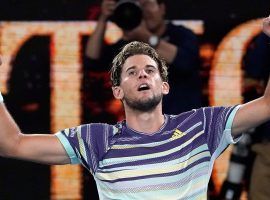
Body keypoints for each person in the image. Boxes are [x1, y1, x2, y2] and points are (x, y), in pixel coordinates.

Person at [0, 17, 270, 200]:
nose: (142, 75)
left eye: (150, 70)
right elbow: (13, 144)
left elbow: (267, 105)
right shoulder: (97, 139)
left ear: (164, 86)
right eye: (132, 72)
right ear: (117, 91)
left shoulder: (200, 126)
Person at [85, 0, 202, 115]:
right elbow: (92, 60)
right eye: (138, 7)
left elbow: (186, 62)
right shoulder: (128, 46)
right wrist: (103, 18)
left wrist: (146, 37)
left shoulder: (181, 35)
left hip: (184, 122)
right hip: (144, 126)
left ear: (162, 8)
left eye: (147, 4)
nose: (143, 11)